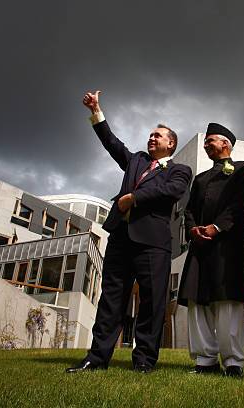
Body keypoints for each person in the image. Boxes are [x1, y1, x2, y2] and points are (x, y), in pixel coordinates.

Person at [66, 90, 192, 374]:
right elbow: (111, 143)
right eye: (150, 135)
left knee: (151, 302)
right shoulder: (135, 160)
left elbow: (171, 191)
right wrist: (97, 111)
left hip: (153, 243)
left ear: (170, 143)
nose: (151, 138)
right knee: (111, 299)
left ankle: (145, 360)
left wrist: (134, 198)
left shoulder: (180, 170)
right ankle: (96, 358)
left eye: (157, 135)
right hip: (121, 238)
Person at [178, 123, 244, 377]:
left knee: (228, 301)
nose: (206, 144)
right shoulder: (199, 179)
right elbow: (188, 211)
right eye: (205, 141)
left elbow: (239, 202)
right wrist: (193, 229)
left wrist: (217, 227)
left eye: (210, 140)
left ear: (226, 144)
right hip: (200, 246)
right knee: (197, 301)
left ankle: (233, 362)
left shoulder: (243, 169)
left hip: (228, 245)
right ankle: (205, 360)